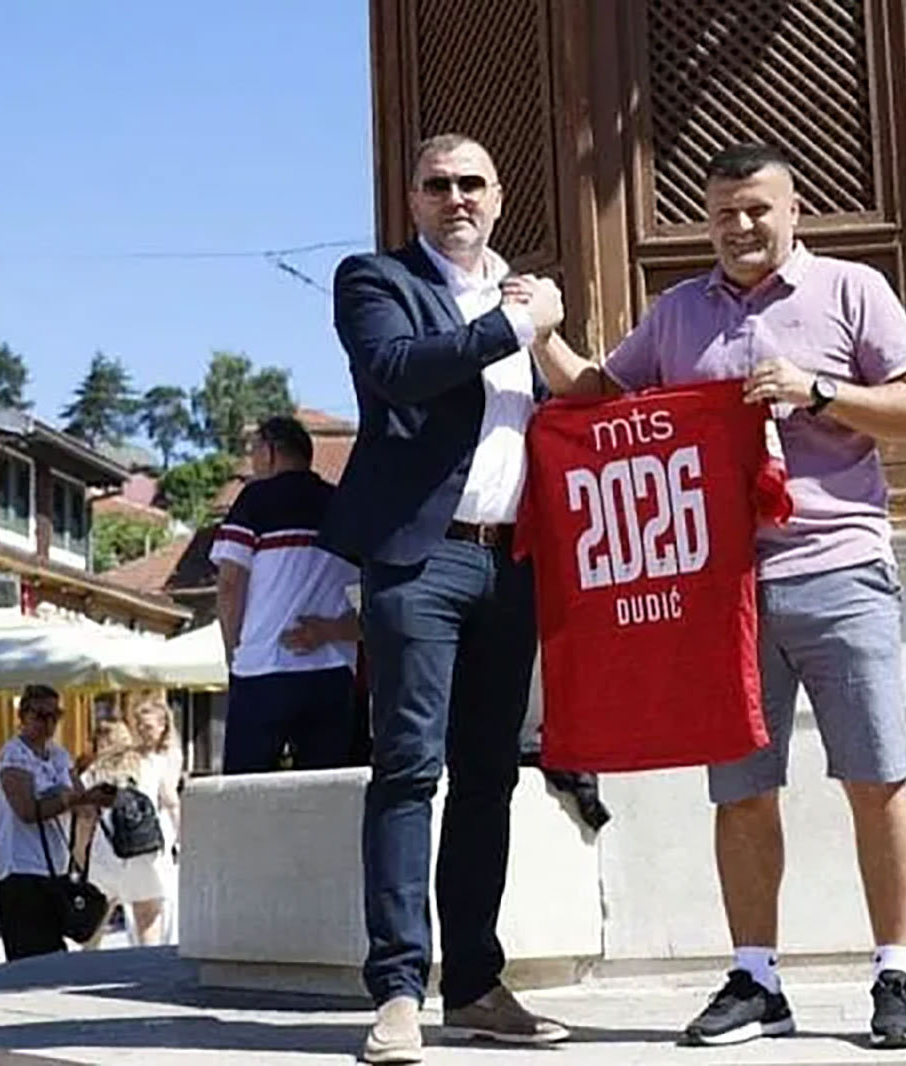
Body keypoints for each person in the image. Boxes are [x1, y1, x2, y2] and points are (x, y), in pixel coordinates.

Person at [525, 143, 906, 1049]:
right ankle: (757, 979)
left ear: (794, 211)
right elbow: (599, 395)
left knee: (876, 776)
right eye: (724, 214)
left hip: (840, 566)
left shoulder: (853, 291)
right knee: (741, 792)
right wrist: (542, 336)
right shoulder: (679, 312)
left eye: (757, 209)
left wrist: (817, 391)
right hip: (720, 590)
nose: (741, 227)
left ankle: (896, 973)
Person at [324, 132, 570, 1063]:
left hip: (512, 562)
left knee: (489, 775)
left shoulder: (526, 297)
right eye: (439, 184)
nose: (457, 197)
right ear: (414, 199)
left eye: (473, 183)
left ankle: (472, 984)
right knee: (407, 769)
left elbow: (574, 404)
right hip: (419, 561)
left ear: (498, 197)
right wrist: (516, 327)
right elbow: (399, 372)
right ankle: (396, 990)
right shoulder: (375, 280)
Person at [211, 415, 361, 773]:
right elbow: (376, 597)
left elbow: (230, 584)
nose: (252, 460)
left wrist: (234, 650)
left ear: (270, 451)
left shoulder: (255, 500)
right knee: (329, 788)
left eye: (253, 450)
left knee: (245, 790)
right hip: (333, 669)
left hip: (264, 665)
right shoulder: (343, 506)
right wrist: (330, 631)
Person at [0, 684, 113, 961]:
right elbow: (26, 811)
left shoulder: (59, 755)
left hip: (54, 866)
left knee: (56, 956)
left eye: (55, 716)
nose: (48, 723)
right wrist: (66, 799)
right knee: (31, 958)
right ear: (23, 716)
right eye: (40, 716)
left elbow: (80, 800)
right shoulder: (13, 755)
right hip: (20, 867)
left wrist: (94, 799)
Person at [73, 719, 172, 947]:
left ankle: (88, 965)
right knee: (147, 922)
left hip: (106, 855)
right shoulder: (149, 765)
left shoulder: (91, 776)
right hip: (145, 852)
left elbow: (86, 819)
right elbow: (168, 801)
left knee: (94, 925)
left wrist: (80, 855)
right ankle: (148, 967)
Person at [126, 695, 184, 941]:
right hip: (135, 826)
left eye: (148, 727)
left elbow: (169, 796)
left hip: (157, 826)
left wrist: (181, 831)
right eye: (139, 726)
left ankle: (155, 941)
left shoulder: (170, 755)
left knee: (159, 887)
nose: (143, 731)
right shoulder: (133, 756)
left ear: (163, 726)